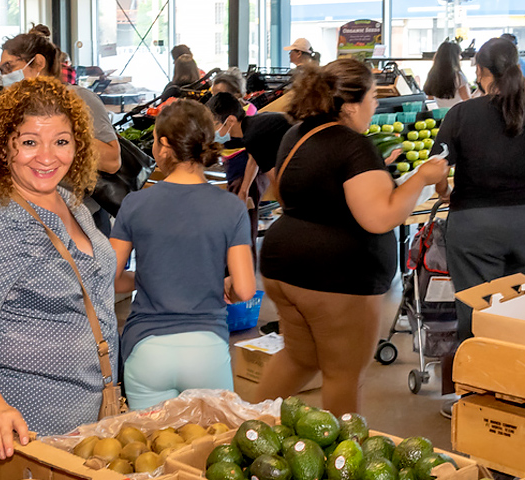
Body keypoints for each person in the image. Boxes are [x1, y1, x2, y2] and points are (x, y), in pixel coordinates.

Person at [0, 77, 117, 458]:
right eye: (30, 141)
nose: (48, 157)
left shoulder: (73, 205)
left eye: (61, 141)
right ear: (3, 147)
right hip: (23, 437)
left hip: (84, 427)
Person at [256, 58, 448, 416]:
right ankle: (346, 461)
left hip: (283, 266)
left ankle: (243, 424)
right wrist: (421, 178)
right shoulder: (352, 146)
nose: (375, 106)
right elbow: (380, 217)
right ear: (349, 104)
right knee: (343, 374)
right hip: (335, 281)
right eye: (373, 97)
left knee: (300, 358)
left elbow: (288, 193)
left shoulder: (297, 134)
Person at [108, 99, 256, 410]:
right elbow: (244, 290)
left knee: (147, 449)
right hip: (206, 350)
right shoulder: (231, 207)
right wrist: (224, 284)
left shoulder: (135, 204)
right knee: (207, 451)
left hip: (146, 349)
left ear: (163, 145)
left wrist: (146, 279)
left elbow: (107, 280)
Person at [432, 36, 525, 344]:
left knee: (477, 310)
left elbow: (438, 165)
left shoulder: (461, 114)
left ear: (479, 71)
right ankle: (524, 381)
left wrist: (443, 190)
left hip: (475, 222)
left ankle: (477, 383)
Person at [0, 29, 123, 230]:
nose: (5, 77)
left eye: (9, 67)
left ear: (38, 63)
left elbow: (112, 161)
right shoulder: (13, 106)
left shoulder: (80, 99)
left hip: (80, 219)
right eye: (2, 71)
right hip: (30, 217)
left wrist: (60, 135)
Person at [208, 91, 293, 248]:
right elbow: (253, 160)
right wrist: (244, 190)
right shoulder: (252, 125)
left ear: (231, 121)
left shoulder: (253, 136)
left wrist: (289, 214)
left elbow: (275, 179)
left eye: (215, 125)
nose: (214, 131)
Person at [423, 41, 472, 108]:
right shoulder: (458, 77)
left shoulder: (432, 75)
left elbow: (430, 98)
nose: (460, 57)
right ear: (455, 57)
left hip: (439, 114)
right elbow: (468, 101)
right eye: (459, 55)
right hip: (457, 114)